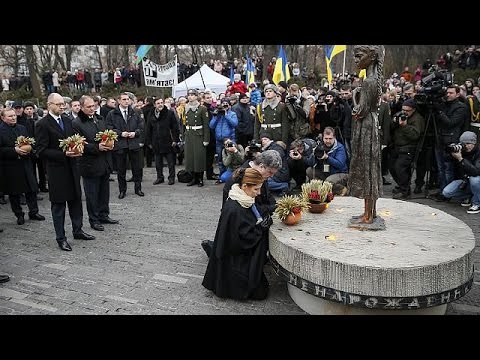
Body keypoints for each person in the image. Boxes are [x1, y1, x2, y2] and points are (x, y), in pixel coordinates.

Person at [35, 93, 95, 251]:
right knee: (59, 206)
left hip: (73, 168)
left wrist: (78, 147)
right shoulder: (43, 124)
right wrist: (63, 154)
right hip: (57, 172)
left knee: (76, 201)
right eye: (59, 104)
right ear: (49, 105)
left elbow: (74, 140)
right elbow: (41, 151)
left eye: (63, 104)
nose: (62, 106)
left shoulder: (68, 121)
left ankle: (78, 230)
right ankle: (61, 238)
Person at [202, 168, 271, 300]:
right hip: (235, 260)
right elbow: (240, 240)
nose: (259, 193)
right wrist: (261, 229)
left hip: (237, 256)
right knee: (260, 293)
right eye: (256, 189)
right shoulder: (234, 208)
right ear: (245, 186)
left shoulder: (242, 199)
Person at [348, 45, 385, 225]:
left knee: (367, 169)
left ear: (371, 57)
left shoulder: (369, 81)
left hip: (366, 126)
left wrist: (355, 95)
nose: (356, 60)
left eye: (359, 56)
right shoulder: (372, 80)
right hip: (370, 124)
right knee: (369, 168)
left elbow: (358, 111)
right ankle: (370, 213)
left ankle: (368, 216)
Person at [72, 96, 118, 232]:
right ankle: (94, 219)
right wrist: (97, 147)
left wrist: (110, 142)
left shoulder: (100, 118)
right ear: (81, 107)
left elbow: (106, 135)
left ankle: (104, 214)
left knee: (104, 191)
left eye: (93, 106)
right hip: (89, 164)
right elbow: (79, 144)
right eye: (89, 107)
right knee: (92, 193)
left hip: (104, 161)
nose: (92, 109)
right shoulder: (77, 123)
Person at [0, 108, 46, 225]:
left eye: (14, 115)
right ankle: (19, 214)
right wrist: (14, 150)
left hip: (25, 163)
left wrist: (30, 149)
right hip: (11, 166)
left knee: (31, 189)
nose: (13, 118)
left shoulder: (22, 128)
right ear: (3, 118)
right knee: (14, 193)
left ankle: (34, 212)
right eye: (10, 116)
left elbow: (30, 141)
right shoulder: (1, 130)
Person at [106, 92, 144, 198]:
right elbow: (109, 127)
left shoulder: (135, 112)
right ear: (119, 101)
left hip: (133, 144)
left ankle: (138, 188)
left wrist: (135, 133)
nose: (126, 101)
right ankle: (122, 190)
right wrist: (120, 133)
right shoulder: (112, 114)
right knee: (121, 170)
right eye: (124, 99)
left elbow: (141, 126)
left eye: (128, 99)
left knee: (137, 168)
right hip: (120, 145)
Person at [442, 131, 480, 213]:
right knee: (446, 192)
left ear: (474, 143)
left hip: (476, 180)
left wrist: (461, 159)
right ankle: (470, 196)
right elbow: (445, 159)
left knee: (475, 180)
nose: (466, 146)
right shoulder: (461, 150)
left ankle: (477, 203)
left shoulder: (478, 152)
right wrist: (450, 152)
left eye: (469, 143)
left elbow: (475, 172)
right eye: (464, 143)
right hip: (465, 180)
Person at [144, 97, 179, 185]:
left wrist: (175, 139)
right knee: (158, 162)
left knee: (170, 162)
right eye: (158, 103)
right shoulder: (151, 114)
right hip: (156, 141)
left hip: (168, 140)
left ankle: (171, 178)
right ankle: (160, 177)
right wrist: (149, 141)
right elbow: (148, 128)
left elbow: (175, 127)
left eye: (161, 103)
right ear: (155, 105)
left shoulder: (169, 113)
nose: (160, 105)